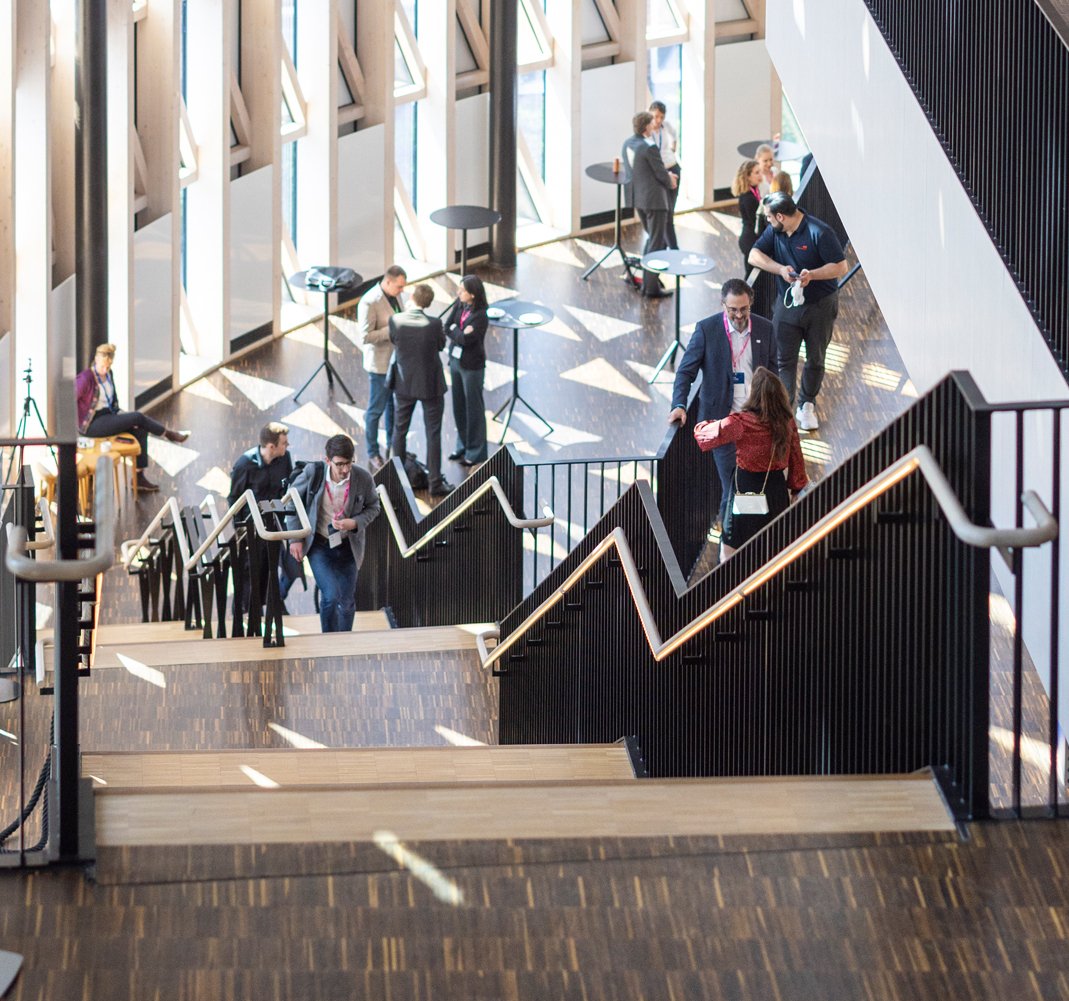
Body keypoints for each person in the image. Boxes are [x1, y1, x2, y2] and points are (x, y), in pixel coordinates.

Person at [668, 279, 775, 527]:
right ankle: (728, 544)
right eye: (733, 310)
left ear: (751, 304)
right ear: (723, 305)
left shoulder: (765, 329)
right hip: (722, 421)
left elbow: (773, 371)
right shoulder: (707, 330)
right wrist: (679, 405)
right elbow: (686, 372)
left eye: (744, 309)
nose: (739, 315)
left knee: (751, 484)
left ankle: (740, 534)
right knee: (732, 484)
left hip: (756, 421)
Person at [747, 192, 848, 432]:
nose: (768, 223)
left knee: (815, 358)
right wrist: (780, 268)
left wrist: (812, 275)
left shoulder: (819, 232)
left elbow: (840, 266)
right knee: (783, 360)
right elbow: (754, 255)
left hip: (820, 306)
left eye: (770, 218)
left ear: (781, 216)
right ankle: (784, 411)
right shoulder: (776, 231)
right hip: (788, 306)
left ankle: (807, 404)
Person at [693, 366, 807, 563]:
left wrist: (707, 422)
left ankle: (733, 587)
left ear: (753, 394)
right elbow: (796, 458)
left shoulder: (741, 422)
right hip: (775, 490)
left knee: (732, 543)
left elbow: (703, 437)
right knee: (775, 545)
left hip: (745, 488)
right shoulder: (787, 422)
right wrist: (797, 487)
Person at [285, 434, 381, 633]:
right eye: (340, 464)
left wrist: (354, 522)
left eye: (349, 463)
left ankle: (344, 640)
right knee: (330, 596)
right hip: (319, 545)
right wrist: (295, 538)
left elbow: (374, 507)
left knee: (346, 601)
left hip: (348, 547)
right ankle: (329, 639)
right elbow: (293, 501)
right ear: (328, 460)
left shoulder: (362, 478)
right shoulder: (313, 473)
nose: (345, 469)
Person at [75, 342, 189, 493]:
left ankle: (138, 477)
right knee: (137, 417)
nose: (105, 370)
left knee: (141, 429)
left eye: (108, 367)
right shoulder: (85, 378)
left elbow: (112, 403)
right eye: (102, 366)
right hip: (91, 424)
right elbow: (69, 400)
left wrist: (121, 415)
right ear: (96, 360)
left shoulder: (109, 374)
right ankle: (168, 434)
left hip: (108, 415)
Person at [389, 283, 453, 496]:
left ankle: (395, 481)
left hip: (404, 384)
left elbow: (394, 341)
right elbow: (441, 345)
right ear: (428, 303)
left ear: (412, 297)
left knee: (400, 431)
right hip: (430, 385)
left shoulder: (396, 320)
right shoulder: (434, 324)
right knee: (433, 433)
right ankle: (435, 482)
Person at [229, 422, 299, 613]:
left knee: (283, 566)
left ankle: (274, 602)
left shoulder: (285, 459)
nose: (287, 446)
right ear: (271, 446)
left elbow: (287, 486)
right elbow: (234, 498)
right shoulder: (244, 465)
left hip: (275, 524)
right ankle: (247, 608)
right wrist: (241, 529)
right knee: (250, 570)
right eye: (284, 443)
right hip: (251, 528)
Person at [358, 265, 407, 472]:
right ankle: (372, 452)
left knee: (391, 407)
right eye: (399, 286)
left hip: (394, 362)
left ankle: (391, 446)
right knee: (375, 409)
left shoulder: (395, 297)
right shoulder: (370, 302)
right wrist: (393, 329)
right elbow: (365, 337)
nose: (401, 290)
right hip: (379, 365)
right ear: (387, 282)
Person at [625, 111, 676, 299]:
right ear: (647, 126)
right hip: (655, 201)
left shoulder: (628, 143)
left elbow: (638, 171)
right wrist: (670, 179)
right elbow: (660, 172)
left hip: (639, 199)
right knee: (657, 242)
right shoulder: (649, 147)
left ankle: (647, 282)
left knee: (653, 239)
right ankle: (651, 288)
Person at [443, 275, 490, 467]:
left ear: (472, 294)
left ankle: (476, 451)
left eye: (462, 290)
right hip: (456, 361)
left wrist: (457, 333)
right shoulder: (460, 304)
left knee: (474, 408)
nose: (458, 293)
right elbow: (448, 327)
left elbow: (465, 339)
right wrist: (459, 332)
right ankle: (462, 444)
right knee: (459, 405)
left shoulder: (481, 315)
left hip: (472, 366)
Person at [649, 100, 681, 250]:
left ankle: (665, 249)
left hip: (672, 168)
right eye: (655, 116)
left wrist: (673, 148)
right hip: (660, 174)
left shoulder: (666, 127)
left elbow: (675, 137)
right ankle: (673, 249)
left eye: (661, 117)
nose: (658, 120)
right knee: (665, 215)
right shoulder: (646, 132)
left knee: (669, 213)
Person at [732, 159, 764, 275]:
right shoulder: (748, 198)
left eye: (760, 171)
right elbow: (755, 221)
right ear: (748, 176)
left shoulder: (754, 191)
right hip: (749, 240)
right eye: (757, 172)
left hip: (750, 237)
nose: (760, 175)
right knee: (751, 276)